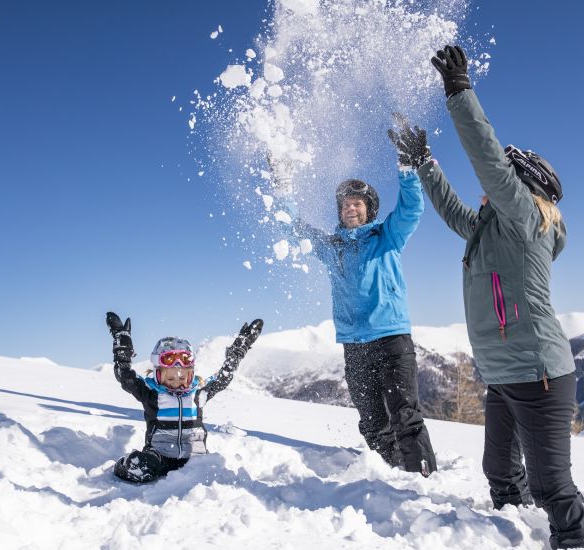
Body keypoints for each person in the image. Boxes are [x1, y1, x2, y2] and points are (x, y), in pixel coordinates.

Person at [387, 44, 584, 549]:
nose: (487, 187)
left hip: (538, 375)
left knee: (552, 487)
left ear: (523, 186)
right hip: (504, 376)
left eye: (504, 178)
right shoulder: (492, 232)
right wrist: (423, 162)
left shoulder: (524, 220)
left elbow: (487, 158)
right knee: (501, 475)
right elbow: (451, 210)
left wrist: (459, 92)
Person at [268, 141, 438, 477]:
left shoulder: (386, 236)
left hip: (391, 338)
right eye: (345, 204)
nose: (350, 208)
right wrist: (283, 187)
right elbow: (293, 228)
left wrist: (408, 171)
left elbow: (411, 209)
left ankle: (423, 480)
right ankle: (390, 476)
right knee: (372, 421)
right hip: (354, 344)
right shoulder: (331, 248)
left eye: (357, 203)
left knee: (405, 415)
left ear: (369, 209)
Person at [105, 311, 263, 483]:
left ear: (191, 374)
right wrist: (122, 346)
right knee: (141, 465)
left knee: (216, 472)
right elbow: (125, 376)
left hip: (195, 458)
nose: (177, 383)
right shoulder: (151, 393)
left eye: (182, 378)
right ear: (158, 375)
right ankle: (126, 465)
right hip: (159, 457)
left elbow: (223, 378)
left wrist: (238, 351)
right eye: (170, 378)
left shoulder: (198, 393)